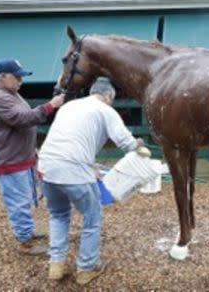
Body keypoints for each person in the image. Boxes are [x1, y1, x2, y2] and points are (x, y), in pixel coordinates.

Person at [38, 77, 145, 285]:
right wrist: (138, 144)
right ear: (108, 97)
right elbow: (126, 143)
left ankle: (56, 264)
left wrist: (91, 166)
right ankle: (87, 268)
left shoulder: (69, 107)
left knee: (58, 215)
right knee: (91, 218)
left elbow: (71, 142)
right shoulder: (106, 110)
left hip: (47, 167)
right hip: (74, 172)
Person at [0, 58, 65, 255]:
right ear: (3, 77)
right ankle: (24, 242)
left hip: (20, 157)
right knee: (19, 201)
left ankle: (26, 232)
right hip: (10, 161)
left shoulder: (10, 93)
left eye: (22, 77)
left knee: (25, 197)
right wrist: (50, 106)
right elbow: (22, 119)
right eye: (17, 77)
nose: (21, 82)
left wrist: (32, 151)